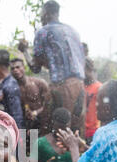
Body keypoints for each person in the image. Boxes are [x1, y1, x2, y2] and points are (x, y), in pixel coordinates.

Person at [18, 0, 86, 133]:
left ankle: (45, 153)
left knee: (52, 129)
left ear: (46, 13)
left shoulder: (43, 32)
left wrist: (24, 50)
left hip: (62, 87)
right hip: (79, 86)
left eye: (41, 14)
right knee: (76, 129)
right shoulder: (73, 31)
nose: (41, 18)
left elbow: (35, 68)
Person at [10, 58, 51, 136]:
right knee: (27, 148)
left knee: (40, 147)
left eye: (18, 67)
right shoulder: (12, 89)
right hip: (25, 128)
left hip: (42, 124)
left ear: (24, 68)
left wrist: (36, 112)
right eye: (12, 68)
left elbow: (49, 104)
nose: (15, 70)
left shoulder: (39, 83)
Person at [84, 57, 102, 145]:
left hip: (94, 131)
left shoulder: (99, 88)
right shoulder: (80, 86)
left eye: (83, 69)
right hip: (80, 130)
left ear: (89, 69)